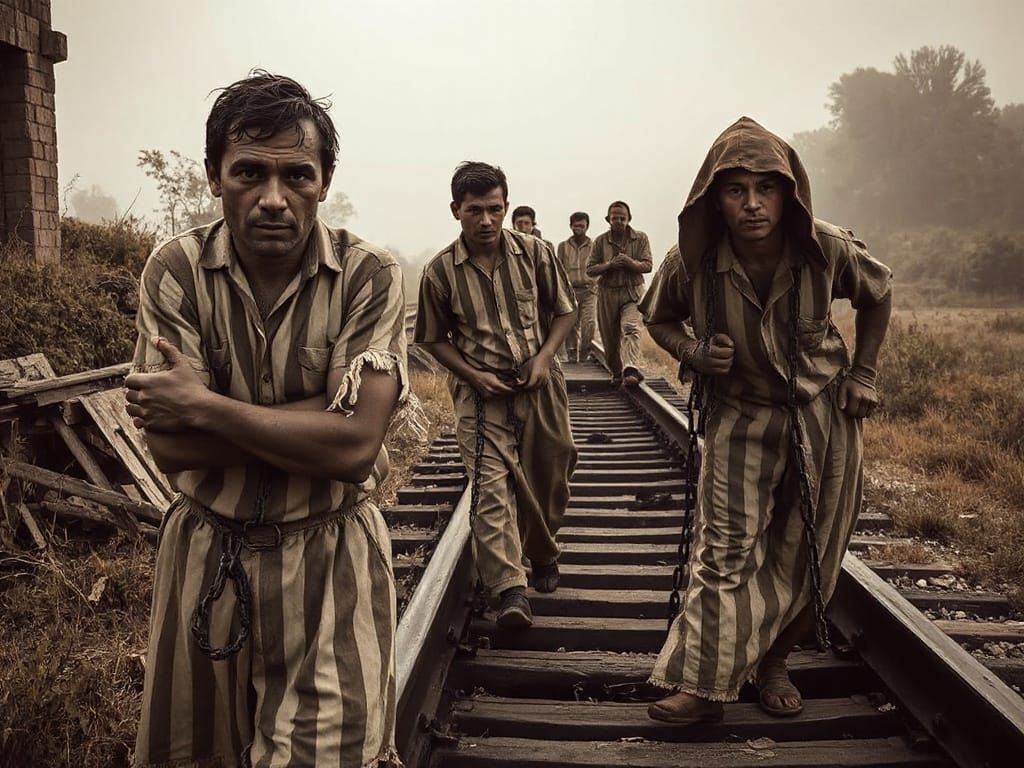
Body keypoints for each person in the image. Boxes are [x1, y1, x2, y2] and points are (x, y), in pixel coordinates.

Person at [125, 71, 412, 768]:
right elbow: (170, 446)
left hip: (329, 563)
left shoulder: (369, 275)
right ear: (214, 176)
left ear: (325, 181)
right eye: (249, 172)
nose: (274, 198)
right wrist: (314, 425)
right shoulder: (175, 271)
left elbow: (353, 448)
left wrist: (206, 407)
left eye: (297, 176)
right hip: (205, 559)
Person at [640, 116, 892, 725]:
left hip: (821, 416)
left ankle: (774, 662)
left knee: (808, 549)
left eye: (766, 189)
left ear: (788, 193)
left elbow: (878, 293)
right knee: (725, 551)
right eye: (736, 190)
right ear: (714, 199)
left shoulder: (826, 247)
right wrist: (693, 351)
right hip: (738, 415)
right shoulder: (690, 261)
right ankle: (702, 687)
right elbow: (657, 318)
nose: (752, 204)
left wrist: (863, 374)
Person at [415, 162, 578, 628]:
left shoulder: (536, 252)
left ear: (505, 207)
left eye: (494, 209)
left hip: (539, 385)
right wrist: (473, 375)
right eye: (474, 211)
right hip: (480, 397)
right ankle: (509, 590)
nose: (486, 220)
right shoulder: (440, 272)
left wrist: (544, 358)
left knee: (552, 473)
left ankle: (542, 550)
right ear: (456, 211)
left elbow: (565, 311)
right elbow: (432, 339)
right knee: (490, 489)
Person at [586, 201, 652, 386]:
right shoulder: (600, 241)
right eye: (615, 218)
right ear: (608, 219)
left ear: (629, 219)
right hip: (607, 293)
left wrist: (631, 263)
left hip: (632, 292)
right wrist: (609, 265)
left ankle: (630, 368)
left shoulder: (640, 238)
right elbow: (590, 269)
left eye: (623, 218)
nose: (619, 222)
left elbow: (647, 265)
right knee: (610, 340)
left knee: (630, 327)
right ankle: (617, 373)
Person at [555, 211, 597, 362]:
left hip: (589, 290)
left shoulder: (594, 246)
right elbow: (559, 268)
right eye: (575, 225)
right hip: (570, 290)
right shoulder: (563, 246)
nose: (578, 228)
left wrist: (595, 283)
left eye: (581, 226)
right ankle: (572, 355)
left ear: (587, 226)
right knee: (571, 325)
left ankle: (584, 354)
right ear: (571, 226)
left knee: (589, 323)